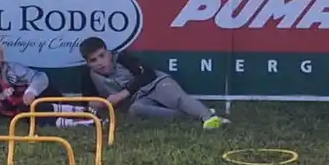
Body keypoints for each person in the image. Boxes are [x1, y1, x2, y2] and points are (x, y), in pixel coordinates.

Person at [79, 37, 228, 127]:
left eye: (102, 55)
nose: (100, 62)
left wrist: (121, 95)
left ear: (108, 52)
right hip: (138, 100)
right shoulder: (89, 75)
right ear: (88, 63)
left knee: (177, 98)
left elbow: (147, 74)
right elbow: (88, 100)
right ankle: (190, 116)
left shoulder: (122, 58)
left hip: (156, 84)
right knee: (136, 110)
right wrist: (98, 103)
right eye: (93, 60)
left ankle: (209, 117)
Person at [0, 36, 58, 119]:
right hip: (20, 110)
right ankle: (65, 120)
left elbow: (40, 77)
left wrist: (31, 91)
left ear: (2, 56)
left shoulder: (12, 68)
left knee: (38, 102)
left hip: (34, 99)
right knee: (31, 113)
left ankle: (67, 111)